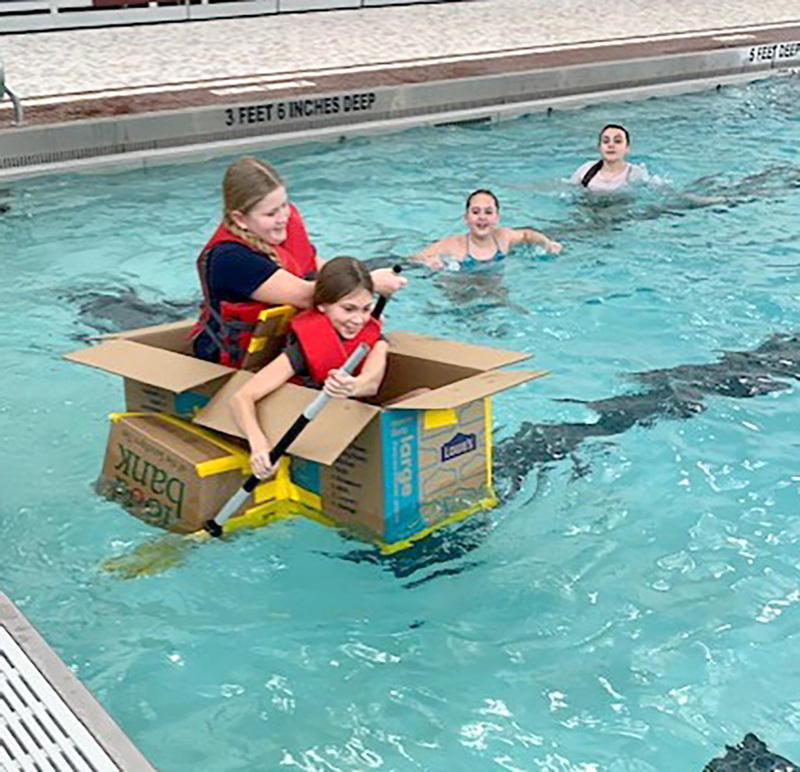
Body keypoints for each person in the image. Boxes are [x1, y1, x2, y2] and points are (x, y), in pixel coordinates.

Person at [192, 156, 405, 367]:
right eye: (271, 213)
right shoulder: (231, 258)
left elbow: (313, 264)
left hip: (278, 345)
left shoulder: (278, 227)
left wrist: (356, 293)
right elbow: (306, 295)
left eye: (284, 205)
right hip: (230, 358)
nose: (283, 218)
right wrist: (369, 283)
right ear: (239, 219)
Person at [229, 257, 389, 479]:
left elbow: (371, 381)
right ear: (322, 305)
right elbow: (241, 398)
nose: (358, 320)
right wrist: (259, 446)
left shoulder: (374, 338)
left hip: (351, 420)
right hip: (308, 431)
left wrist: (352, 386)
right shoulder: (303, 349)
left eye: (366, 309)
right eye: (348, 309)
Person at [412, 189, 562, 270]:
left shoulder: (503, 237)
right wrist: (429, 262)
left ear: (497, 217)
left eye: (488, 212)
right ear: (466, 218)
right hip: (461, 287)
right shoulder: (454, 245)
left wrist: (546, 243)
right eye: (475, 212)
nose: (482, 217)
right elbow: (413, 259)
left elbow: (527, 234)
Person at [568, 124, 653, 194]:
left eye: (618, 141)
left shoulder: (635, 174)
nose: (611, 145)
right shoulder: (585, 170)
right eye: (605, 141)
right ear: (599, 147)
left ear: (626, 148)